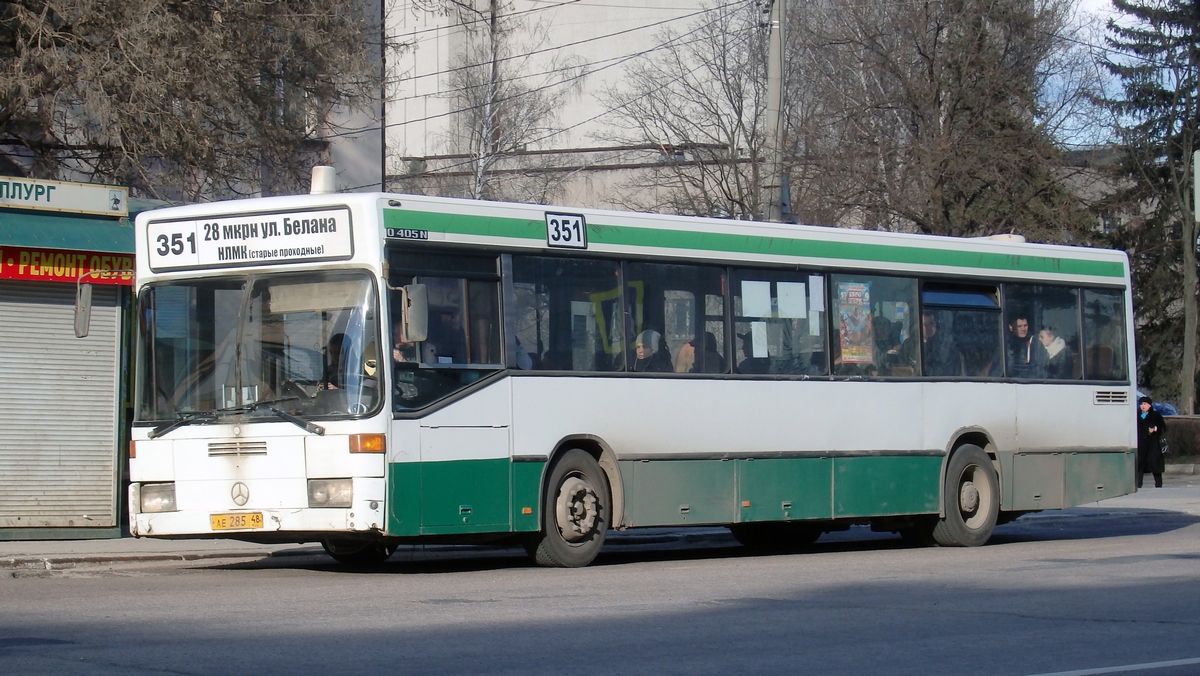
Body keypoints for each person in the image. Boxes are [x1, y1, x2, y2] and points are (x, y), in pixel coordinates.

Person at [1137, 395, 1167, 489]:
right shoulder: (1136, 415)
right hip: (1141, 444)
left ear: (1149, 405)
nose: (1143, 406)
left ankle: (1158, 484)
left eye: (1145, 404)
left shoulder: (1155, 415)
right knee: (1139, 465)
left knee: (1155, 464)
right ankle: (1138, 484)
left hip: (1153, 444)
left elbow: (1163, 427)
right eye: (1141, 404)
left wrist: (1155, 429)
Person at [921, 310, 962, 377]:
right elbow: (901, 362)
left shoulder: (945, 347)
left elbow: (946, 372)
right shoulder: (909, 344)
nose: (927, 328)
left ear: (936, 325)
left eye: (931, 323)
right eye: (924, 324)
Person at [1007, 313, 1048, 378]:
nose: (1023, 329)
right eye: (1019, 326)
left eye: (1025, 325)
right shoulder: (1006, 344)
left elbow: (1041, 366)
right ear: (1011, 327)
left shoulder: (1034, 342)